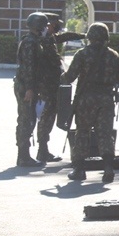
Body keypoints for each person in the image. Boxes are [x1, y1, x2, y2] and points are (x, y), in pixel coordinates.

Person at [59, 23, 119, 184]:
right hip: (106, 99)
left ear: (90, 37)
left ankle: (79, 169)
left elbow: (69, 77)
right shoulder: (114, 55)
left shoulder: (82, 54)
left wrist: (62, 74)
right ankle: (108, 168)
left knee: (83, 132)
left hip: (86, 99)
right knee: (105, 133)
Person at [35, 12, 85, 163]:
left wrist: (82, 35)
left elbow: (63, 37)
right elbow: (54, 60)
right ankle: (42, 150)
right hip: (47, 86)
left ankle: (43, 149)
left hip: (51, 85)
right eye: (55, 24)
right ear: (48, 25)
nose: (58, 27)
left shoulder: (48, 38)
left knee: (48, 116)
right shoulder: (44, 41)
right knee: (46, 117)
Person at [15, 12, 47, 167]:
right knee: (25, 120)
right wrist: (29, 88)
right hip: (26, 87)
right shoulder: (30, 42)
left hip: (29, 86)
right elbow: (29, 67)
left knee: (29, 118)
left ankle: (24, 155)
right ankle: (23, 156)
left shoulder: (33, 40)